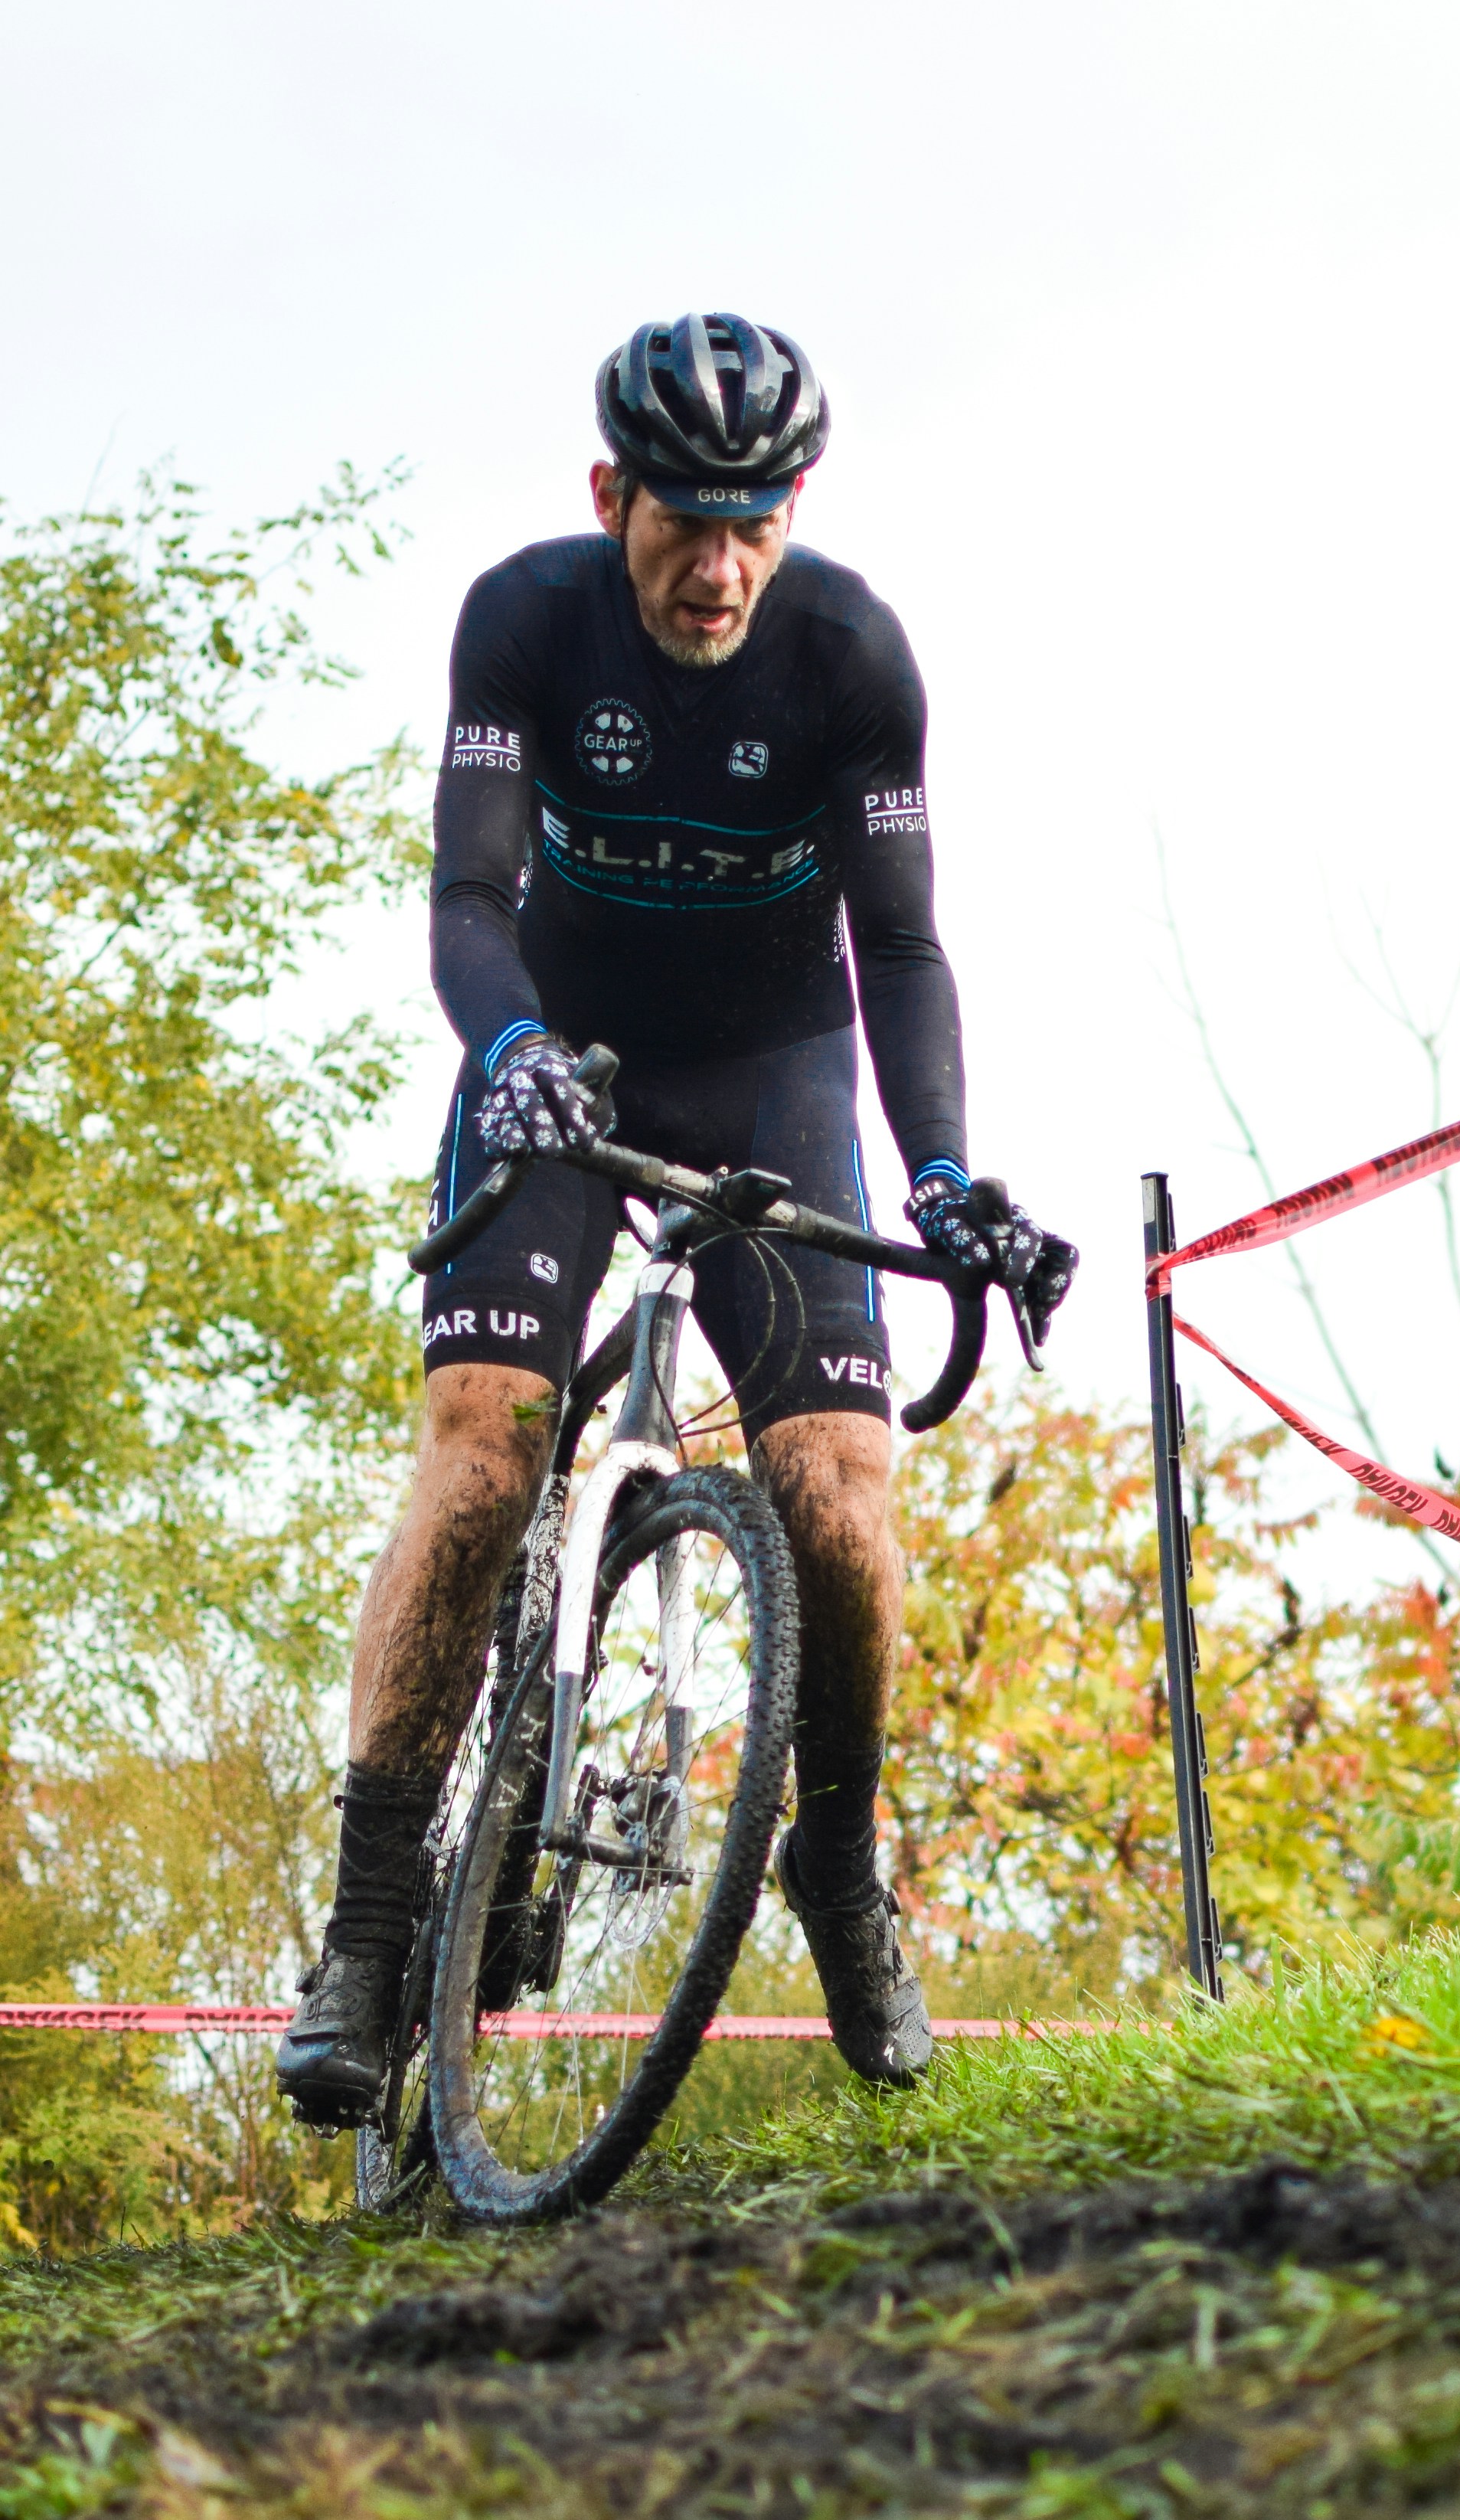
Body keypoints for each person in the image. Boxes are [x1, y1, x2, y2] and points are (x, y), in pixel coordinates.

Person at [277, 312, 1076, 2128]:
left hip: (774, 1072)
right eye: (684, 521)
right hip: (558, 1058)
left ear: (792, 514)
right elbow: (467, 892)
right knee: (479, 1451)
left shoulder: (851, 650)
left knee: (841, 1487)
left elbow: (905, 947)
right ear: (607, 494)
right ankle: (370, 1923)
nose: (719, 567)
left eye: (756, 522)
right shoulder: (526, 618)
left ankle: (838, 1865)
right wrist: (517, 1051)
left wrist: (943, 1171)